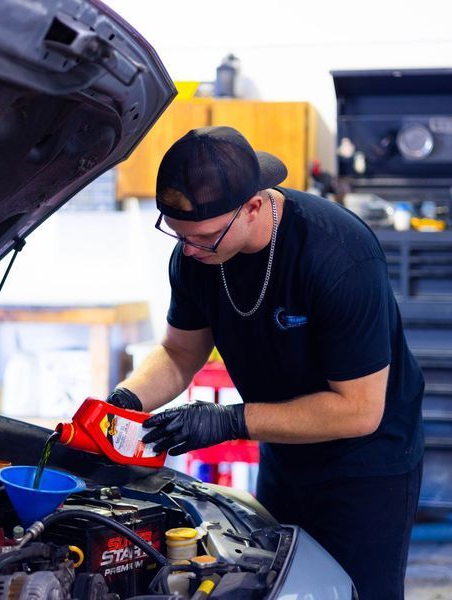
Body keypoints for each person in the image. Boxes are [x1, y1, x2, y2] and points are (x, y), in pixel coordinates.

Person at [104, 126, 424, 597]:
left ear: (254, 206)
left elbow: (359, 409)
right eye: (179, 236)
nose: (190, 250)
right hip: (285, 448)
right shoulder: (195, 257)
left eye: (206, 237)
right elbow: (178, 353)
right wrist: (125, 401)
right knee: (277, 587)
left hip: (366, 465)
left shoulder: (337, 257)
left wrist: (228, 422)